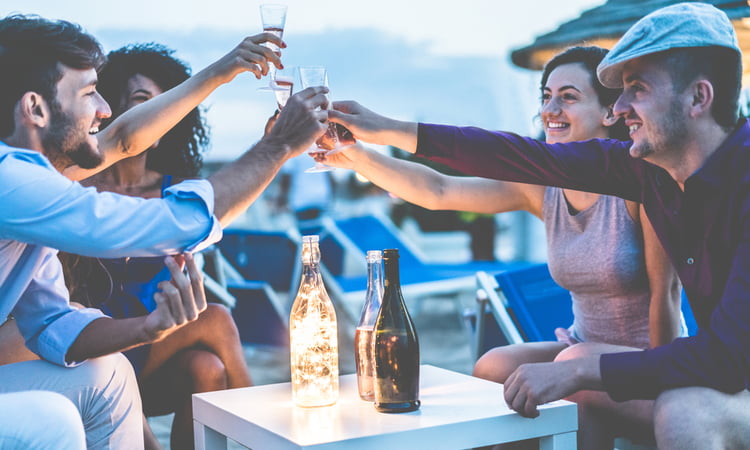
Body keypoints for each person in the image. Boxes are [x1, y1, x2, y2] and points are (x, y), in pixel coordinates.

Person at [329, 3, 750, 449]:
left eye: (637, 89)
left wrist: (582, 368)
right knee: (504, 367)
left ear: (698, 98)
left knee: (675, 407)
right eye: (619, 91)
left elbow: (723, 353)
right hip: (698, 368)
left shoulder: (710, 182)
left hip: (711, 376)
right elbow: (501, 161)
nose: (621, 106)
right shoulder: (648, 171)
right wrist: (381, 132)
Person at [0, 14, 327, 449]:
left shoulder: (34, 184)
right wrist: (278, 146)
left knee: (108, 373)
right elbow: (169, 222)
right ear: (35, 108)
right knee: (52, 416)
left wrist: (149, 328)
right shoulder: (12, 182)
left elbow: (53, 324)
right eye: (88, 93)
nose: (104, 108)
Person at [58, 43, 252, 450]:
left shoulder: (176, 194)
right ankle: (263, 432)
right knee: (216, 319)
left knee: (208, 367)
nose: (158, 114)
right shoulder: (80, 192)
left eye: (168, 103)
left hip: (159, 345)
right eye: (143, 101)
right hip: (100, 346)